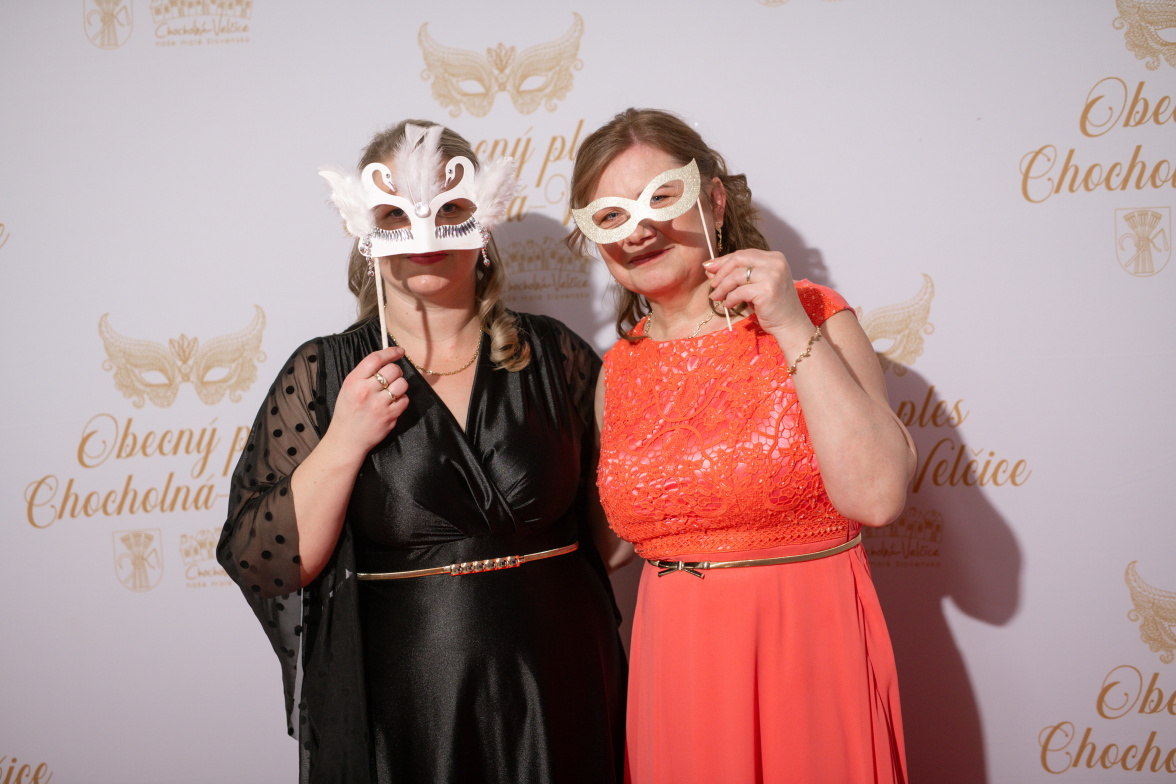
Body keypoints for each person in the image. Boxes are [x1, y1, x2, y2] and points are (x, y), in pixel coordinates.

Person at [218, 120, 629, 784]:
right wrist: (345, 439)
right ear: (363, 230)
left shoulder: (557, 356)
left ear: (483, 222)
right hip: (408, 710)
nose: (426, 234)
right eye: (395, 215)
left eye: (450, 209)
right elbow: (266, 562)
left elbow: (619, 535)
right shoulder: (326, 373)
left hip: (562, 687)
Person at [568, 108, 916, 783]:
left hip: (807, 650)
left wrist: (786, 322)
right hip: (676, 668)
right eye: (610, 216)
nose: (638, 230)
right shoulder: (617, 370)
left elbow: (878, 497)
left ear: (715, 200)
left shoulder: (814, 312)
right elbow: (607, 549)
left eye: (661, 198)